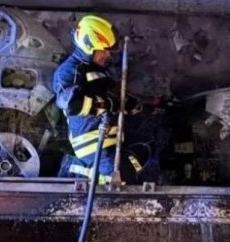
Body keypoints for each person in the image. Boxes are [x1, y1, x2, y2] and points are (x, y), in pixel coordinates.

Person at [52, 14, 155, 183]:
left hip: (114, 139)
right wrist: (109, 104)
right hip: (92, 144)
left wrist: (137, 105)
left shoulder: (100, 71)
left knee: (147, 149)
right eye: (103, 50)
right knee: (117, 180)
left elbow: (115, 98)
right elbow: (71, 104)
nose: (107, 55)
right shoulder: (68, 72)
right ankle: (79, 171)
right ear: (88, 46)